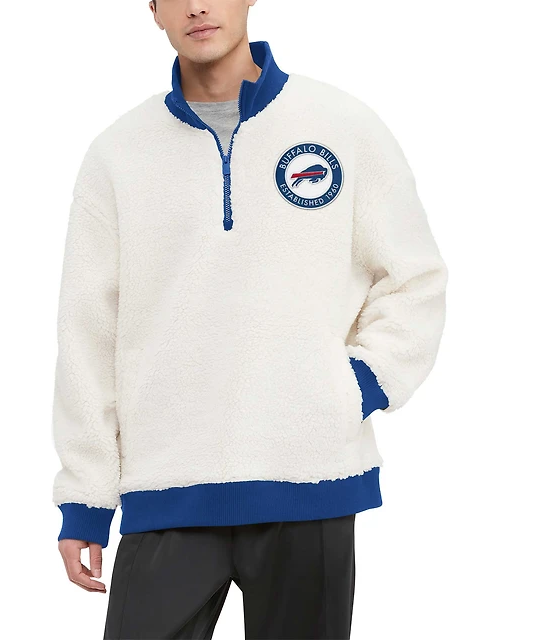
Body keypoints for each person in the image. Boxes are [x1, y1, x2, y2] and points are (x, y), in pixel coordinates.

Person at [51, 1, 449, 638]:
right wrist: (86, 497)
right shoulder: (118, 155)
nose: (197, 6)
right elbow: (87, 334)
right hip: (168, 482)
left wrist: (354, 387)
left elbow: (414, 277)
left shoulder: (342, 125)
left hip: (309, 477)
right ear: (152, 9)